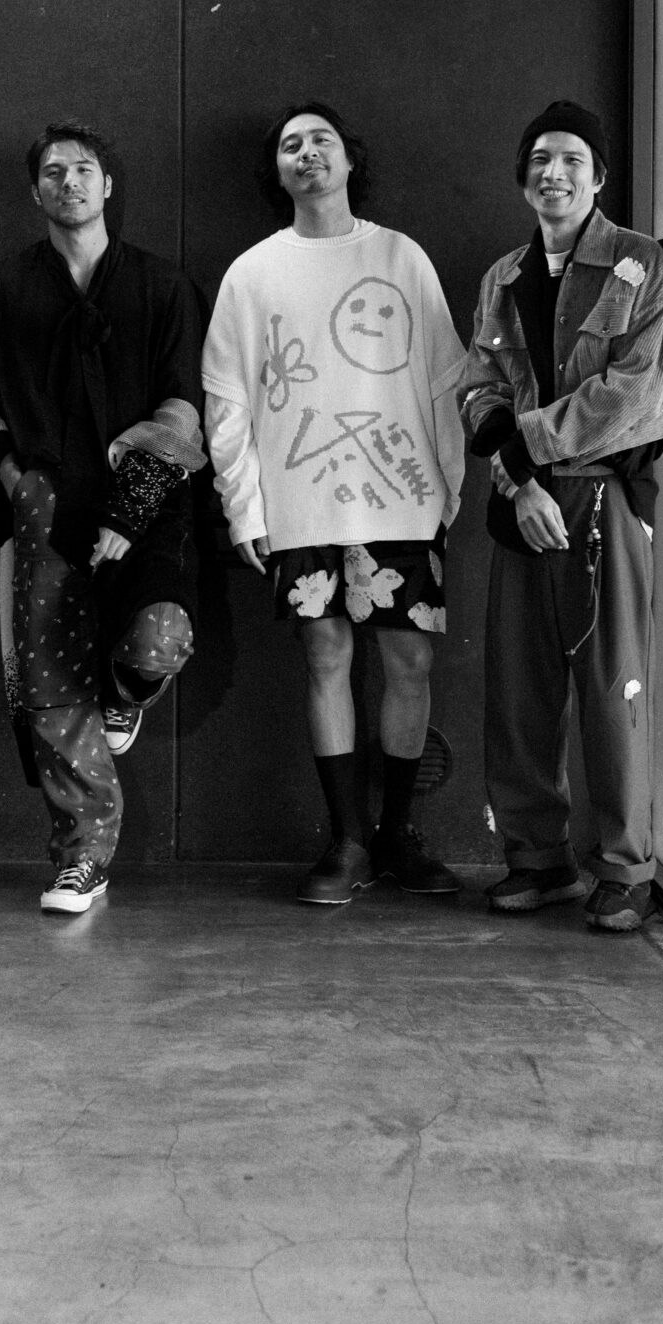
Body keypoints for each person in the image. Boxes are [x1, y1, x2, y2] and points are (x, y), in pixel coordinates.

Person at [203, 101, 467, 906]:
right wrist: (245, 508)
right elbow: (226, 403)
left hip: (401, 496)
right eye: (292, 144)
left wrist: (449, 484)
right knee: (325, 657)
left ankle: (397, 835)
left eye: (322, 140)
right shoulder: (252, 273)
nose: (307, 152)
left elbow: (447, 379)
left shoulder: (400, 256)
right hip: (301, 500)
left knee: (409, 660)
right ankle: (347, 838)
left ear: (350, 160)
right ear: (277, 171)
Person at [0, 122, 207, 915]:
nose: (70, 181)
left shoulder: (162, 285)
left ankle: (123, 693)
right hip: (43, 503)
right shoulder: (9, 285)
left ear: (108, 185)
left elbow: (183, 407)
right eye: (54, 171)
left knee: (158, 639)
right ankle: (82, 858)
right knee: (52, 685)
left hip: (148, 502)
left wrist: (131, 506)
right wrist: (13, 479)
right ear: (36, 190)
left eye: (84, 169)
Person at [458, 100, 663, 932]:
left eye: (570, 160)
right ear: (524, 177)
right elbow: (477, 387)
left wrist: (526, 450)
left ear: (598, 177)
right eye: (539, 159)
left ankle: (625, 870)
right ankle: (538, 860)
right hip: (521, 502)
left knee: (613, 684)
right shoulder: (503, 277)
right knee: (519, 690)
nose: (552, 173)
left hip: (604, 497)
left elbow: (636, 391)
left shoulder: (640, 264)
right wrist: (519, 483)